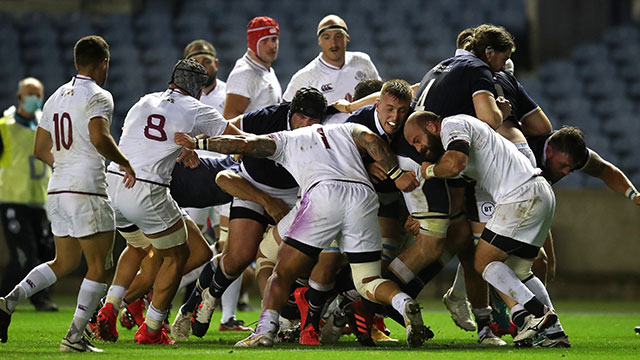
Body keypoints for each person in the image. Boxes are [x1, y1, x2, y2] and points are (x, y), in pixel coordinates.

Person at [174, 121, 429, 349]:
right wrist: (395, 174)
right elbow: (372, 140)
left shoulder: (287, 138)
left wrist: (199, 142)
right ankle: (403, 303)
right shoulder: (345, 128)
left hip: (322, 194)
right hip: (363, 196)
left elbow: (244, 143)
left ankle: (264, 330)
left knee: (281, 269)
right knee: (367, 279)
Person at [403, 110, 588, 346]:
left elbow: (455, 163)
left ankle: (534, 314)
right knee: (521, 272)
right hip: (541, 193)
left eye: (417, 140)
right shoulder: (473, 134)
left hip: (519, 195)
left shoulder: (452, 124)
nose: (418, 148)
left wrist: (427, 171)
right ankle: (556, 334)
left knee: (482, 263)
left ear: (430, 125)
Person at [0, 35, 136, 352]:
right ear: (104, 63)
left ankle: (9, 302)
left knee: (63, 261)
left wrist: (64, 164)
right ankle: (74, 337)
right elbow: (100, 137)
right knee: (100, 265)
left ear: (76, 62)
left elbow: (39, 148)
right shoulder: (99, 96)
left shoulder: (56, 97)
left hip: (57, 187)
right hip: (86, 186)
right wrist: (125, 163)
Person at [95, 59, 242, 345]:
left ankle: (110, 307)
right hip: (147, 189)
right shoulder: (197, 108)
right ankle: (152, 328)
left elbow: (143, 141)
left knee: (169, 249)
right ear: (198, 87)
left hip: (113, 182)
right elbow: (236, 142)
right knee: (177, 256)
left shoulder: (144, 101)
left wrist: (181, 150)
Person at [183, 87, 326, 339]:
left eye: (314, 120)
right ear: (291, 112)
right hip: (252, 185)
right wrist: (194, 144)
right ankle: (210, 295)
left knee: (299, 260)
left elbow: (348, 110)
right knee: (238, 256)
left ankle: (289, 317)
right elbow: (228, 126)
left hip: (294, 194)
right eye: (302, 118)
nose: (307, 125)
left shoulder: (326, 125)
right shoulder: (266, 118)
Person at [183, 39, 251, 332]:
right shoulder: (184, 100)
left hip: (227, 176)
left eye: (206, 60)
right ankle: (151, 293)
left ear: (216, 64)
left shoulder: (230, 95)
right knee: (186, 249)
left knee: (230, 245)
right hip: (196, 178)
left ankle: (228, 317)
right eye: (195, 61)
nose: (202, 65)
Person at [0, 77, 58, 312]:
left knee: (45, 252)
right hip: (13, 199)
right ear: (19, 97)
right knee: (25, 253)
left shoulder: (45, 124)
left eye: (38, 94)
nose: (35, 99)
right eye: (30, 94)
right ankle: (4, 297)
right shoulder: (5, 126)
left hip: (40, 200)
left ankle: (39, 297)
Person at [282, 14, 381, 103]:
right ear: (319, 41)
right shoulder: (305, 77)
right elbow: (284, 111)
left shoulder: (363, 62)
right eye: (326, 37)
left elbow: (380, 94)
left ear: (347, 38)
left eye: (338, 36)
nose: (333, 43)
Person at [223, 16, 281, 119]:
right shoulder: (244, 74)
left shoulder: (267, 70)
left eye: (274, 39)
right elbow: (230, 120)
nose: (272, 46)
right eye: (264, 41)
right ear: (254, 43)